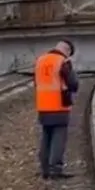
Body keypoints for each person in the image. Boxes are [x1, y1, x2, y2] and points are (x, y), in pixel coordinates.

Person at [35, 39, 79, 179]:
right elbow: (73, 83)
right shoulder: (63, 62)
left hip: (43, 105)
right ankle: (55, 169)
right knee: (59, 137)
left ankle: (45, 169)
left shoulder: (40, 61)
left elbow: (36, 82)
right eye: (69, 53)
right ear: (66, 50)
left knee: (46, 136)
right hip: (59, 105)